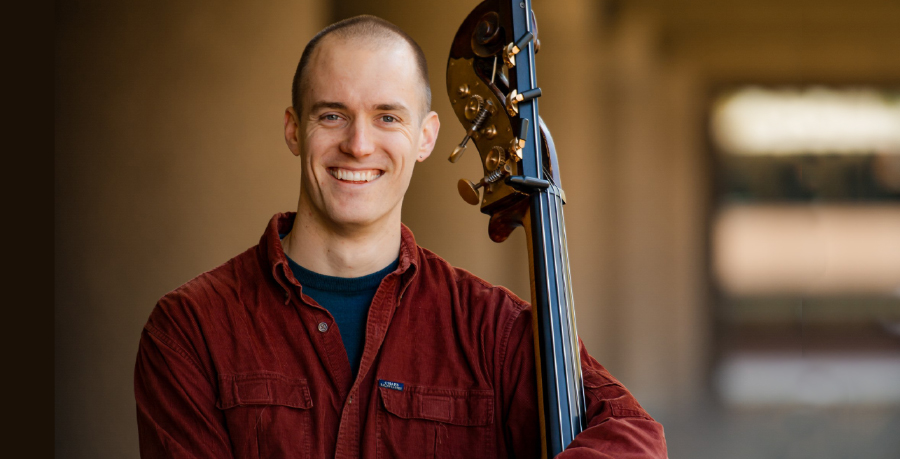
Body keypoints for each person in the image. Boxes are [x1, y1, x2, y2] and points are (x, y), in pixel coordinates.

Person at [134, 15, 667, 459]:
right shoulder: (190, 329)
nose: (359, 145)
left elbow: (635, 439)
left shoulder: (493, 331)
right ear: (295, 130)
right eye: (332, 115)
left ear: (426, 137)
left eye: (387, 116)